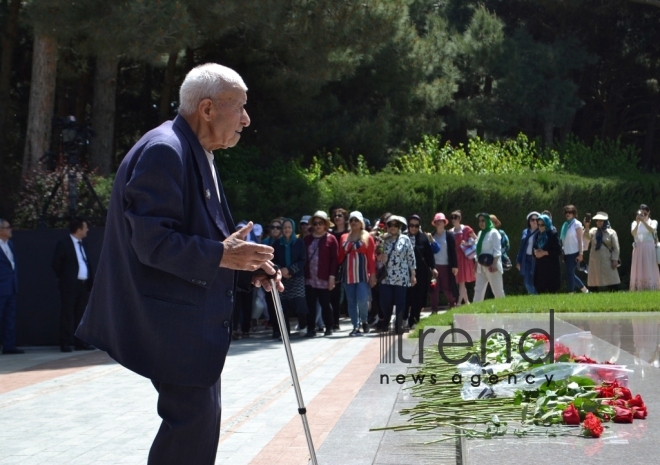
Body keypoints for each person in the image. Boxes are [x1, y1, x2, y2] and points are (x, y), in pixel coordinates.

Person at [75, 63, 282, 465]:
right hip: (170, 323)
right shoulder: (165, 150)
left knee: (197, 425)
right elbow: (152, 241)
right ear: (206, 109)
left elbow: (203, 237)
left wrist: (244, 262)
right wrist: (224, 255)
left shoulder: (196, 150)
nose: (246, 118)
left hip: (189, 322)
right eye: (238, 107)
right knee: (191, 426)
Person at [52, 218, 95, 352]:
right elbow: (56, 264)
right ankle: (64, 343)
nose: (87, 230)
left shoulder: (83, 244)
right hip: (70, 286)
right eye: (85, 227)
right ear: (78, 229)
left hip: (83, 285)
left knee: (81, 315)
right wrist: (66, 278)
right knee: (67, 314)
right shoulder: (64, 244)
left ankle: (80, 343)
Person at [338, 211, 376, 336]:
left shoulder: (367, 237)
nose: (353, 223)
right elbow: (340, 256)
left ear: (361, 223)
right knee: (351, 301)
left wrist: (373, 274)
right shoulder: (344, 237)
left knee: (362, 300)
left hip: (362, 274)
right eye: (352, 220)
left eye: (356, 220)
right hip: (348, 275)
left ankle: (364, 320)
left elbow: (371, 257)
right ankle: (355, 325)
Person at [377, 215, 416, 334]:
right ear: (387, 226)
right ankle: (386, 319)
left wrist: (413, 274)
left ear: (399, 226)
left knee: (400, 302)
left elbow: (411, 257)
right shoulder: (382, 239)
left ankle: (398, 325)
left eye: (395, 225)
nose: (393, 227)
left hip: (402, 276)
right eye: (390, 225)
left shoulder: (405, 239)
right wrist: (379, 257)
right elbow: (376, 257)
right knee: (385, 301)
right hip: (386, 277)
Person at [303, 210, 338, 337]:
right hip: (309, 277)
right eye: (316, 223)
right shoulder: (307, 239)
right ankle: (311, 328)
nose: (318, 226)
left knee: (325, 303)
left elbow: (335, 259)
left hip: (324, 277)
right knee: (310, 304)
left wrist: (332, 276)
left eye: (321, 223)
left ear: (325, 225)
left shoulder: (331, 239)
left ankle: (329, 326)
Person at [273, 218, 307, 336]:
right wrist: (281, 270)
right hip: (282, 278)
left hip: (296, 277)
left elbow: (302, 260)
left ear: (293, 229)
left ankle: (303, 327)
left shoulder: (299, 242)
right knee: (283, 305)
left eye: (289, 227)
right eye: (285, 227)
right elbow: (274, 260)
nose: (287, 229)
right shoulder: (277, 244)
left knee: (299, 302)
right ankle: (285, 332)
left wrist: (290, 270)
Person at [406, 214, 437, 328]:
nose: (413, 228)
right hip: (406, 272)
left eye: (416, 226)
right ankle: (405, 317)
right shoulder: (404, 237)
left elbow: (429, 255)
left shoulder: (423, 238)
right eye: (411, 225)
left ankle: (414, 319)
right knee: (408, 296)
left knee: (419, 297)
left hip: (422, 272)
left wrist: (433, 267)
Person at [0, 219, 23, 355]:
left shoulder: (10, 245)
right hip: (1, 287)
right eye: (8, 227)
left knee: (9, 318)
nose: (11, 230)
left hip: (11, 287)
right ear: (1, 230)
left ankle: (9, 346)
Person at [583, 212, 621, 291]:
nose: (599, 222)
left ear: (605, 222)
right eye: (597, 220)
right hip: (595, 260)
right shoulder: (593, 231)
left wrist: (615, 260)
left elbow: (616, 248)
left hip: (607, 259)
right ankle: (594, 294)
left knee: (611, 279)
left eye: (601, 221)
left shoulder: (611, 232)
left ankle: (614, 293)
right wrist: (587, 226)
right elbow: (587, 237)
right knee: (594, 279)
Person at [473, 213, 505, 302]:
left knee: (497, 290)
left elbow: (497, 250)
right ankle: (475, 311)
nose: (481, 223)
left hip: (492, 266)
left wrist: (494, 264)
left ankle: (503, 309)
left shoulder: (494, 232)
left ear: (488, 221)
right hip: (481, 266)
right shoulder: (480, 233)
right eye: (479, 221)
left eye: (483, 220)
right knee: (478, 290)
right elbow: (478, 250)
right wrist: (475, 264)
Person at [429, 213, 458, 312]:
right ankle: (434, 310)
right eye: (437, 221)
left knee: (447, 287)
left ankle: (452, 304)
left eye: (440, 221)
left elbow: (453, 251)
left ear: (444, 222)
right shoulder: (431, 235)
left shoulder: (449, 235)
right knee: (434, 288)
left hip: (446, 266)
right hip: (434, 266)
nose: (438, 223)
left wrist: (455, 266)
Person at [630, 204, 660, 291]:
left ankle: (651, 286)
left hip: (649, 248)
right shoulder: (635, 223)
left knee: (649, 266)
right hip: (638, 248)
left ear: (649, 213)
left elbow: (652, 230)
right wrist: (638, 222)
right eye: (641, 214)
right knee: (638, 267)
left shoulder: (653, 222)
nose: (643, 215)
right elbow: (633, 233)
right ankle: (638, 287)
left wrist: (643, 221)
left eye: (645, 213)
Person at [449, 210, 477, 305]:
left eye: (455, 217)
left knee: (461, 281)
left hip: (465, 257)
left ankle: (460, 303)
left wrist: (467, 243)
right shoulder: (451, 231)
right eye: (452, 218)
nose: (453, 220)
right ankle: (466, 302)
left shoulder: (466, 229)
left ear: (460, 218)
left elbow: (476, 239)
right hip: (456, 259)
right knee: (461, 281)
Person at [559, 205, 588, 293]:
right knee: (570, 274)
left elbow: (580, 240)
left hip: (575, 252)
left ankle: (570, 292)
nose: (568, 214)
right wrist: (563, 253)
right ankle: (585, 291)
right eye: (566, 212)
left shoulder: (577, 223)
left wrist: (581, 254)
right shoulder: (565, 225)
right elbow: (564, 240)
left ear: (574, 214)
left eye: (570, 212)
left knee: (570, 273)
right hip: (567, 253)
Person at [329, 207, 349, 330]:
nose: (337, 217)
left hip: (348, 265)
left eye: (340, 215)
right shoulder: (330, 233)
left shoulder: (349, 234)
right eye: (335, 215)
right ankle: (335, 322)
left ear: (345, 218)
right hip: (335, 266)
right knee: (334, 296)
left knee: (350, 296)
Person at [533, 214, 562, 293]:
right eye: (538, 225)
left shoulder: (553, 234)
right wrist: (535, 252)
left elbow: (558, 251)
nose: (540, 227)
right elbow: (534, 246)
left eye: (542, 225)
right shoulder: (538, 235)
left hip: (551, 266)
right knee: (539, 289)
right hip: (541, 266)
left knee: (552, 290)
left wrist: (545, 253)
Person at [516, 211, 540, 295]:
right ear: (529, 222)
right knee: (527, 282)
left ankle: (537, 299)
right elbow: (521, 247)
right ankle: (536, 297)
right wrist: (518, 260)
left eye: (536, 219)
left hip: (537, 259)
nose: (534, 221)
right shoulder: (525, 232)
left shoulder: (541, 232)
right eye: (532, 220)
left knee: (536, 281)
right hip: (526, 259)